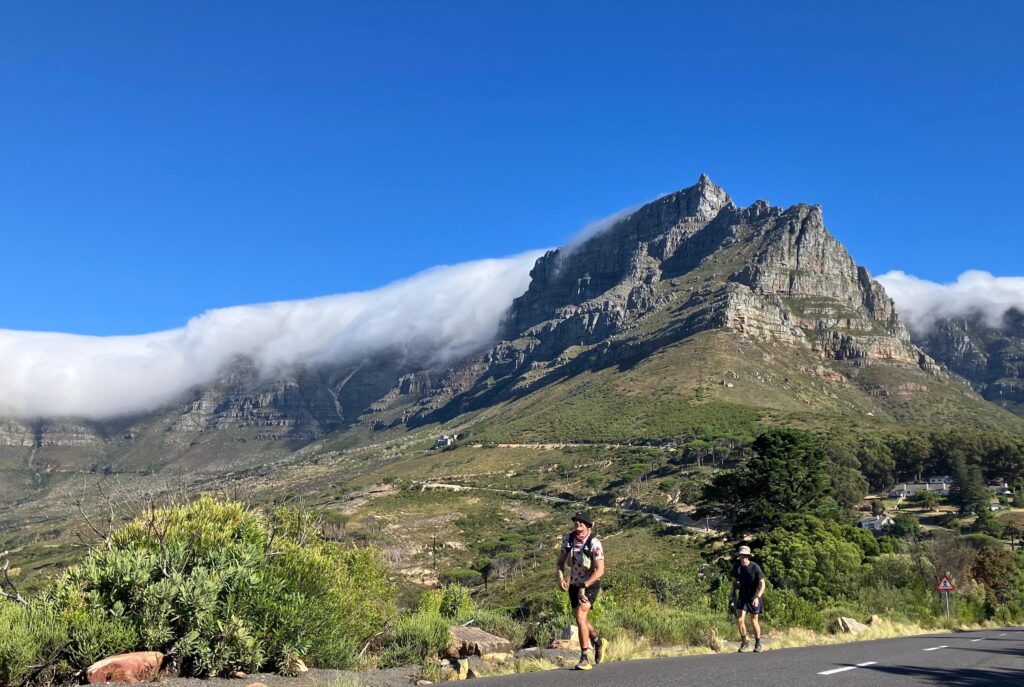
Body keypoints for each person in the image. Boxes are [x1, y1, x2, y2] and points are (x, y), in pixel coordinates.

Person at [556, 510, 608, 670]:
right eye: (575, 520)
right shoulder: (568, 539)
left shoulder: (594, 543)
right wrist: (560, 579)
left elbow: (600, 570)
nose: (577, 523)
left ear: (587, 524)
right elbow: (560, 563)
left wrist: (585, 587)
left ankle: (584, 657)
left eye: (580, 521)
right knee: (581, 620)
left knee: (580, 615)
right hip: (574, 584)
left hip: (590, 584)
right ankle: (599, 642)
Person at [731, 545, 766, 653]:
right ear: (740, 556)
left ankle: (758, 643)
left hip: (754, 597)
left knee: (753, 620)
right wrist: (732, 594)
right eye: (742, 555)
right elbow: (733, 582)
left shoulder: (755, 567)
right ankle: (744, 642)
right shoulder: (737, 567)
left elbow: (762, 584)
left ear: (748, 556)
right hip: (743, 596)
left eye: (745, 556)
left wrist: (757, 597)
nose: (743, 558)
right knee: (740, 619)